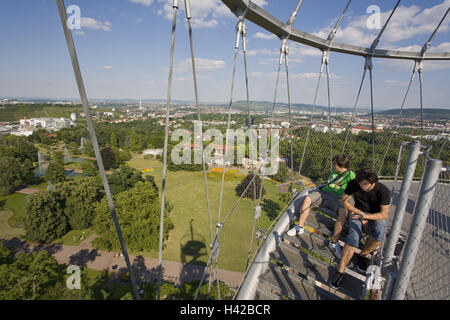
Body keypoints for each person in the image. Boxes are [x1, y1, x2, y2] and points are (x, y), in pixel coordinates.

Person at [330, 168, 390, 289]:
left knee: (380, 234)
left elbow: (384, 214)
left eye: (365, 184)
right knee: (353, 236)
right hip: (357, 211)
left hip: (375, 215)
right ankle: (340, 271)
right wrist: (359, 214)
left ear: (373, 183)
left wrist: (366, 217)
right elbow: (344, 201)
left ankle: (363, 254)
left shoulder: (383, 191)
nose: (361, 186)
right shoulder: (354, 184)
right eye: (360, 183)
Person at [287, 154, 356, 258]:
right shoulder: (334, 170)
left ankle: (333, 243)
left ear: (341, 166)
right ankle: (299, 227)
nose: (332, 166)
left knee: (343, 213)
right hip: (324, 193)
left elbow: (354, 189)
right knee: (308, 199)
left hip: (338, 199)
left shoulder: (351, 175)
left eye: (334, 164)